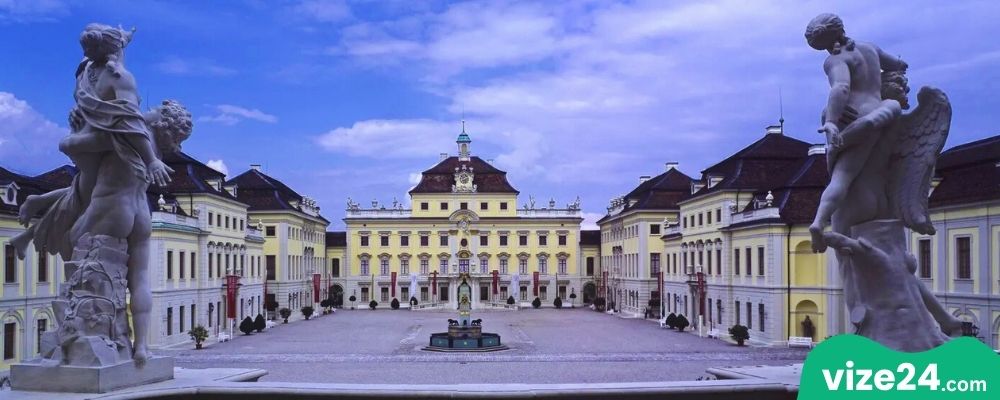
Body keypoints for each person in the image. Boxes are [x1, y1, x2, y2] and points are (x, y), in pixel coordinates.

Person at [804, 13, 908, 253]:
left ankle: (819, 221)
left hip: (854, 117)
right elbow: (899, 65)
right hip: (875, 111)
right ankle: (822, 221)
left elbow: (841, 87)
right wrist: (898, 71)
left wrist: (830, 121)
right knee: (851, 173)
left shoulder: (835, 59)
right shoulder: (870, 48)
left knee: (843, 176)